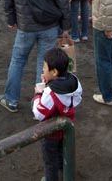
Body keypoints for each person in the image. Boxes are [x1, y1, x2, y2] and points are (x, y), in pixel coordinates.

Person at [0, 0, 71, 113]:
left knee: (17, 61)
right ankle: (40, 104)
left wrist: (11, 19)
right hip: (49, 26)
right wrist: (65, 26)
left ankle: (11, 100)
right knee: (44, 64)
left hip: (25, 26)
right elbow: (62, 2)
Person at [32, 47, 82, 181]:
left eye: (44, 67)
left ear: (54, 72)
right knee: (62, 153)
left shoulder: (50, 93)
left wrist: (38, 94)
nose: (42, 69)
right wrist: (49, 82)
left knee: (50, 160)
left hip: (51, 133)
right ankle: (65, 174)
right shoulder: (74, 82)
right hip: (66, 128)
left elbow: (39, 113)